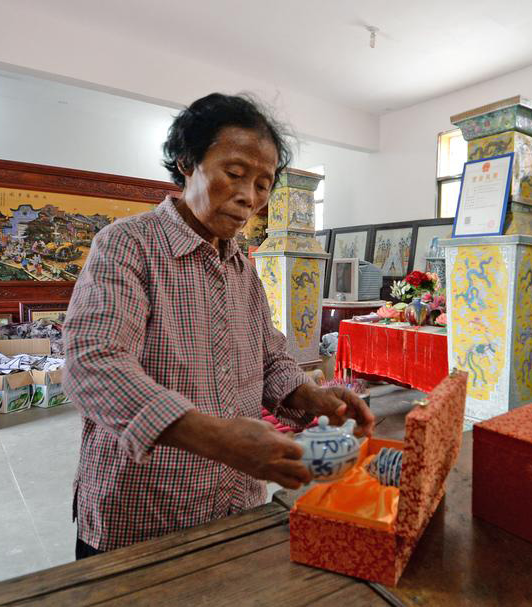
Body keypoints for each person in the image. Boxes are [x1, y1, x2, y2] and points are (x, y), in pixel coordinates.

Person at [63, 93, 374, 559]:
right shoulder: (128, 245)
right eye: (234, 174)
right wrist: (220, 440)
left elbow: (269, 357)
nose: (249, 196)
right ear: (188, 162)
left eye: (264, 184)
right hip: (144, 514)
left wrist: (310, 396)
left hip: (235, 507)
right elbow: (93, 364)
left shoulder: (242, 267)